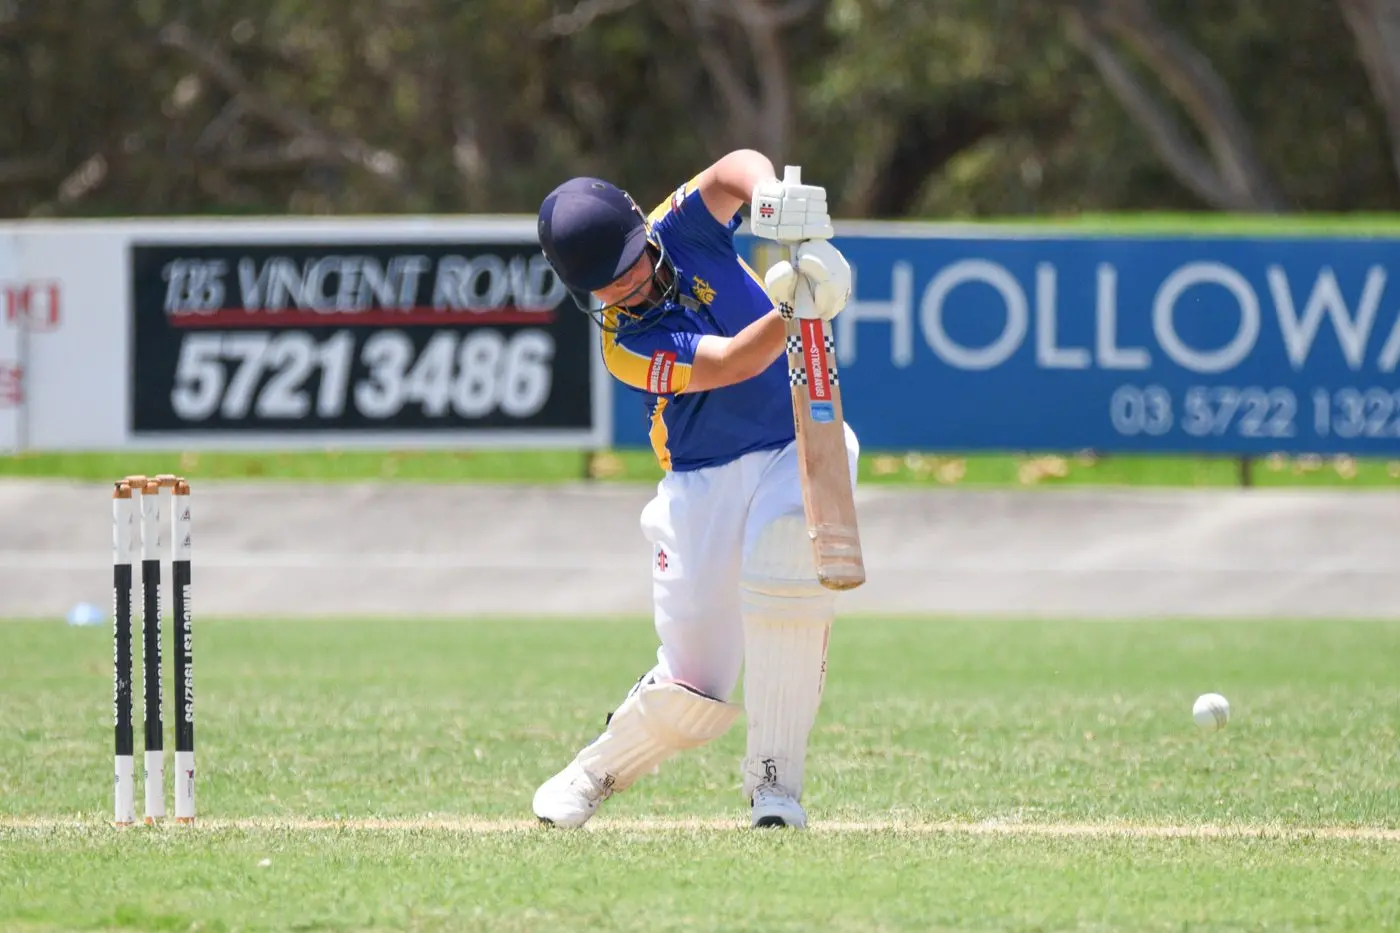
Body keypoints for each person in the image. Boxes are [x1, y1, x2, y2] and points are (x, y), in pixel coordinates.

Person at [532, 149, 859, 829]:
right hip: (699, 479)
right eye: (607, 287)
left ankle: (776, 785)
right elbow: (732, 362)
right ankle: (595, 770)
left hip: (793, 440)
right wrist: (799, 305)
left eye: (631, 268)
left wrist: (769, 198)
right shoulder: (624, 344)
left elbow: (733, 168)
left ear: (641, 234)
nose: (628, 289)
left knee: (785, 573)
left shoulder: (678, 226)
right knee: (695, 691)